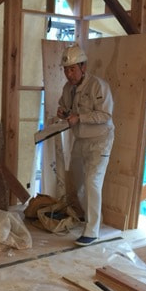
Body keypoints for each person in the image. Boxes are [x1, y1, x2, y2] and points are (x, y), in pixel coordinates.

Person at [57, 45, 114, 246]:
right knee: (80, 183)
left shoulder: (98, 86)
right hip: (80, 140)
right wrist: (62, 112)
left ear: (83, 66)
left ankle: (92, 231)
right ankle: (92, 218)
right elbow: (64, 106)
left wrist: (79, 117)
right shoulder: (68, 88)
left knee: (92, 182)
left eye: (72, 69)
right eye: (66, 70)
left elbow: (105, 115)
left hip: (100, 141)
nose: (69, 74)